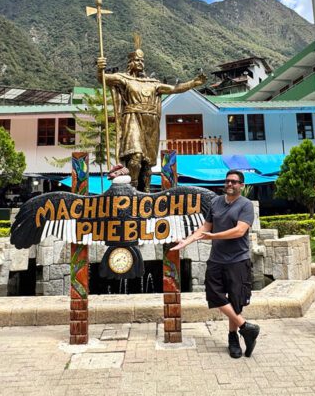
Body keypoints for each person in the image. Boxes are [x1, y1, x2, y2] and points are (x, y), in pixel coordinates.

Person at [97, 37, 207, 191]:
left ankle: (146, 193)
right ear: (130, 63)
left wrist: (193, 83)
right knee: (135, 157)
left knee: (147, 163)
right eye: (137, 60)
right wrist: (100, 69)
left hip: (151, 124)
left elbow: (174, 89)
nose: (140, 63)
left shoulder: (153, 83)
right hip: (133, 118)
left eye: (142, 61)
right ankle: (131, 190)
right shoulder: (124, 79)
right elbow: (104, 79)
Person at [172, 169, 260, 359]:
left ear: (241, 185)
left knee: (236, 301)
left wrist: (214, 236)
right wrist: (186, 242)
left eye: (234, 182)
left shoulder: (245, 205)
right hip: (217, 259)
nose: (229, 184)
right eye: (227, 181)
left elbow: (239, 231)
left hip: (238, 260)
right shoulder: (215, 202)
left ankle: (233, 338)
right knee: (213, 294)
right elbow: (205, 228)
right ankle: (246, 328)